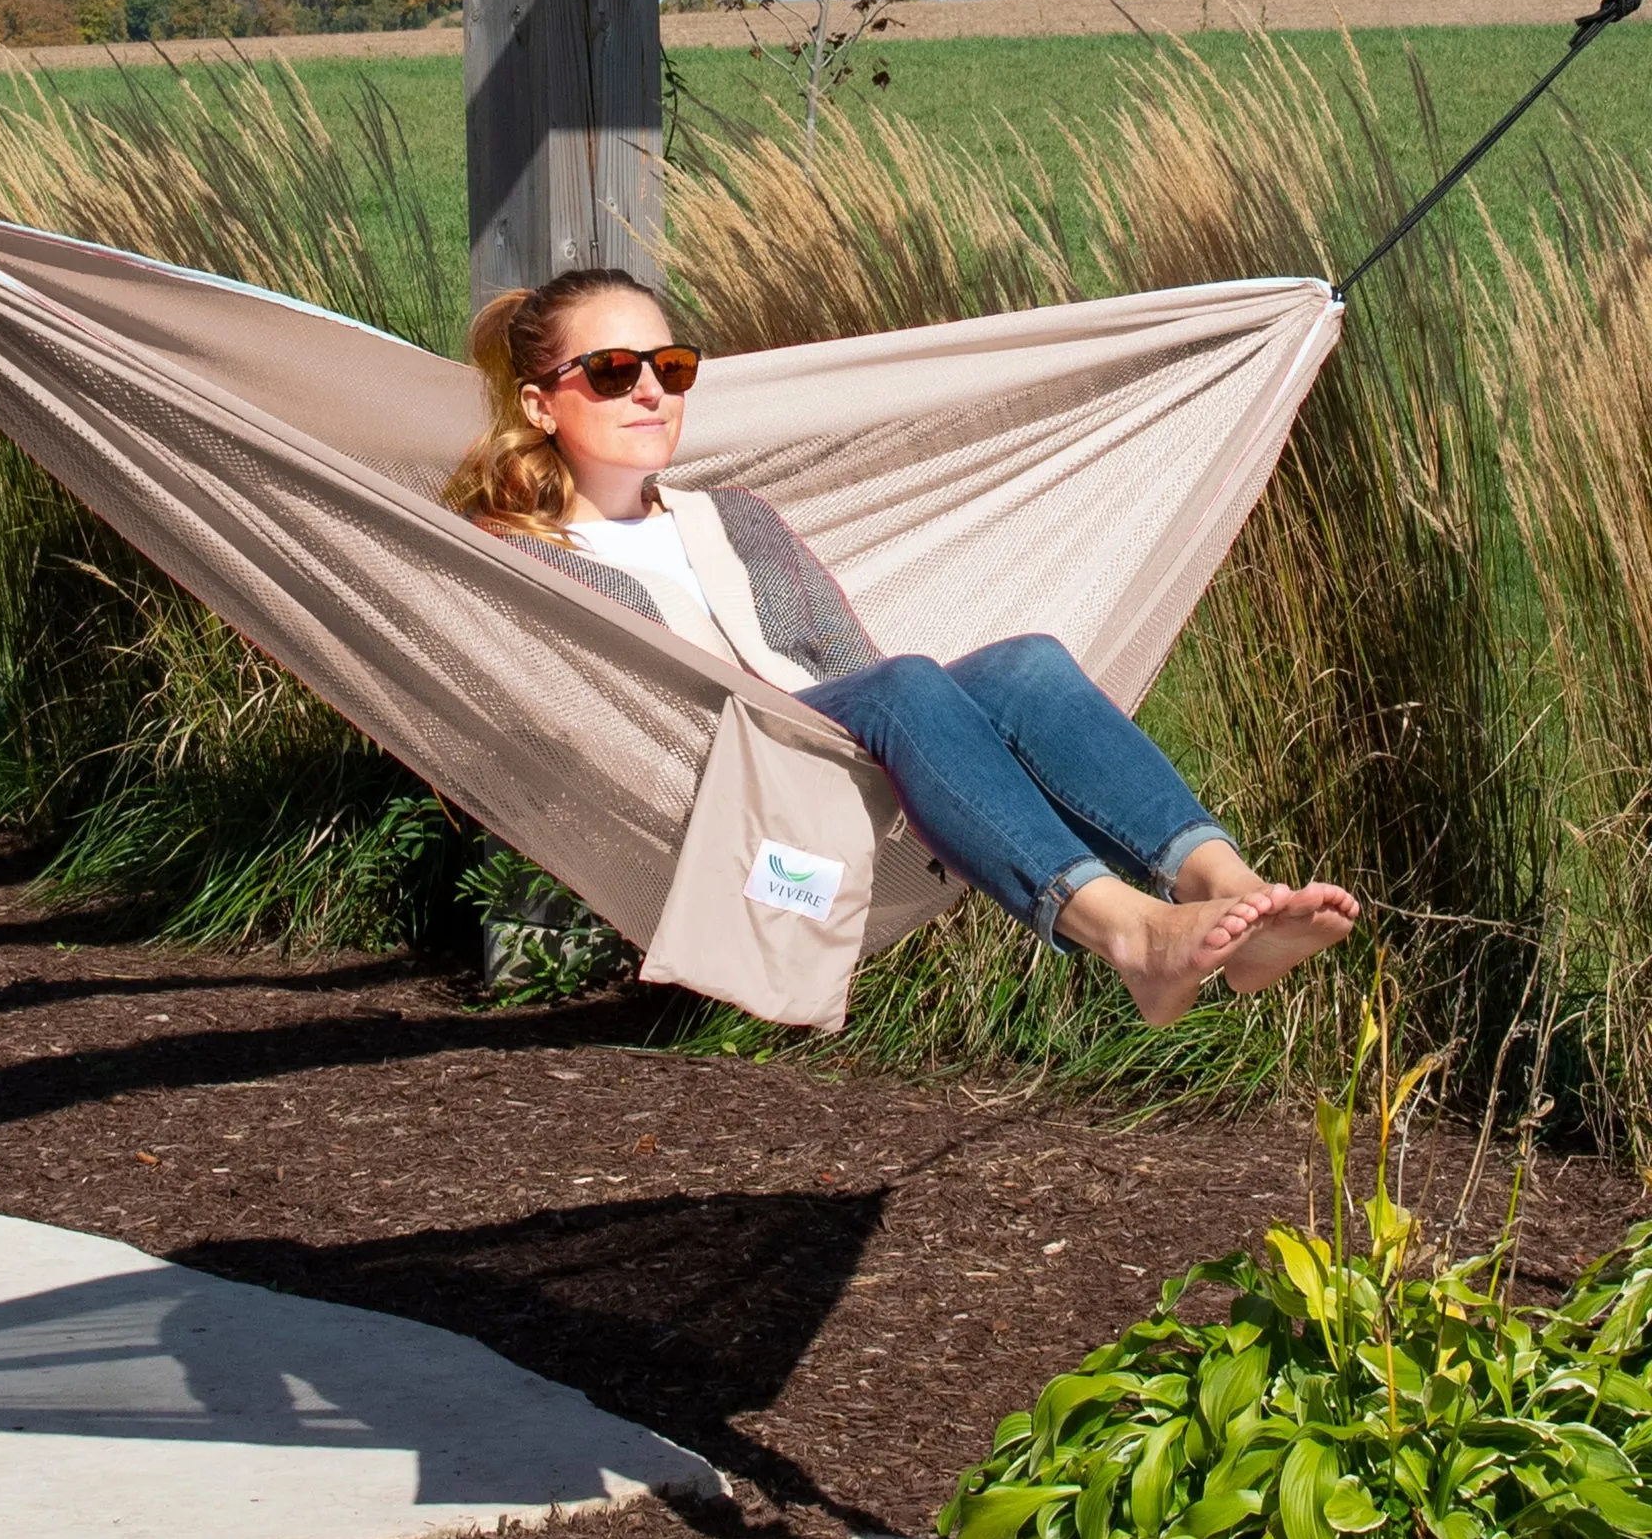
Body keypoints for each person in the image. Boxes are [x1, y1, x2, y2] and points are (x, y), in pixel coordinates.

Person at [445, 267, 1359, 1027]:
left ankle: (1235, 891)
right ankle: (1125, 933)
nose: (650, 389)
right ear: (540, 401)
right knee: (906, 688)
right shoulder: (513, 559)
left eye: (670, 365)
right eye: (611, 370)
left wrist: (924, 735)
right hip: (710, 778)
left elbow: (855, 662)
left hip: (838, 746)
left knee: (1027, 664)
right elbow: (570, 720)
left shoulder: (736, 521)